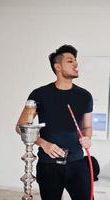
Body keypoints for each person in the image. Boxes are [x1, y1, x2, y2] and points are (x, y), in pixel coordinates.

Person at [16, 44, 93, 200]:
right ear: (57, 66)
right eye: (70, 61)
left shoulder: (85, 96)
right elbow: (20, 127)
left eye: (76, 61)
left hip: (77, 163)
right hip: (48, 165)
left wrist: (88, 138)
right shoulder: (39, 94)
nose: (76, 64)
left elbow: (87, 126)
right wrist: (44, 144)